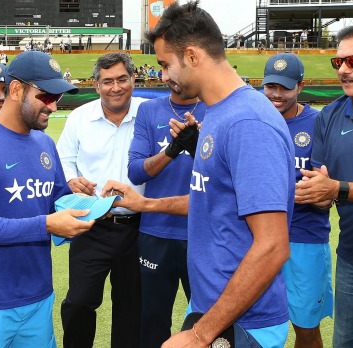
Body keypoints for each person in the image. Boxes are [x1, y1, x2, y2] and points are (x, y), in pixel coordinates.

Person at [104, 2, 295, 347]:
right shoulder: (218, 115)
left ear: (192, 56)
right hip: (214, 307)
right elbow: (211, 200)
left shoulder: (248, 122)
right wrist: (146, 203)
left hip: (245, 322)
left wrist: (201, 334)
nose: (162, 76)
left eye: (165, 64)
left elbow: (273, 245)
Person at [0, 50, 91, 347]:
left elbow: (56, 204)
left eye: (57, 97)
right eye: (46, 96)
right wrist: (47, 225)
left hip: (38, 295)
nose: (54, 105)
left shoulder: (45, 143)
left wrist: (94, 204)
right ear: (16, 90)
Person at [294, 23, 353, 347]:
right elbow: (323, 193)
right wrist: (309, 193)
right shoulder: (328, 116)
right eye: (339, 62)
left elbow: (334, 188)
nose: (344, 70)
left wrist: (336, 189)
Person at [56, 52, 146, 348]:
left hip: (140, 228)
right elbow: (64, 160)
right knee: (79, 303)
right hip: (91, 225)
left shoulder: (150, 113)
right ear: (96, 85)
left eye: (122, 79)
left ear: (134, 79)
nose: (115, 87)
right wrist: (71, 179)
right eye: (107, 81)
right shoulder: (80, 117)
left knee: (131, 307)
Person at [262, 52, 333, 348]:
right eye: (271, 86)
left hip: (304, 238)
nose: (277, 95)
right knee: (256, 324)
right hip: (258, 239)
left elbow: (325, 194)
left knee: (305, 328)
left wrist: (317, 195)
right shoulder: (254, 118)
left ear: (300, 86)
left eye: (285, 88)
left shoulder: (318, 123)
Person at [128, 85, 206, 347]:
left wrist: (198, 149)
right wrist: (171, 150)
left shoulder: (215, 108)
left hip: (202, 234)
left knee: (206, 319)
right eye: (165, 65)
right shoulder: (149, 110)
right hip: (155, 233)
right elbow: (136, 172)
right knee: (152, 319)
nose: (172, 74)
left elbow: (228, 174)